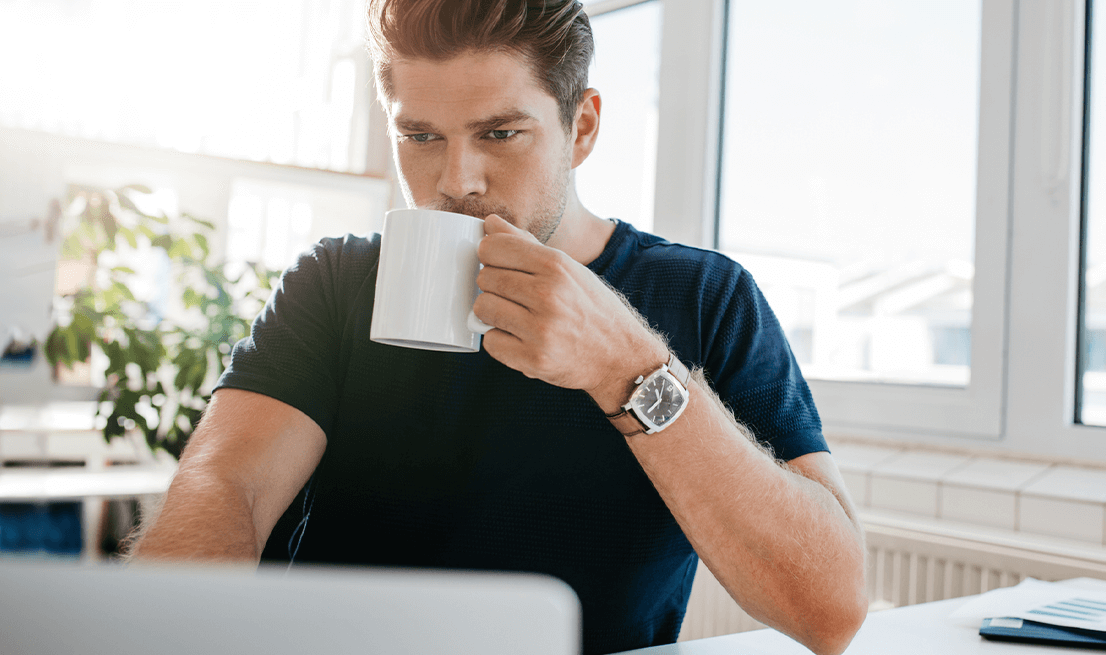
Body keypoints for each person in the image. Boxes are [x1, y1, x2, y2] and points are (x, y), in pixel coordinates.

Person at [129, 0, 868, 653]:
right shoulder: (339, 282)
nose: (457, 181)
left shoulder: (706, 296)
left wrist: (630, 368)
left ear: (581, 127)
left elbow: (830, 612)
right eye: (420, 136)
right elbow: (227, 484)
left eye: (501, 134)